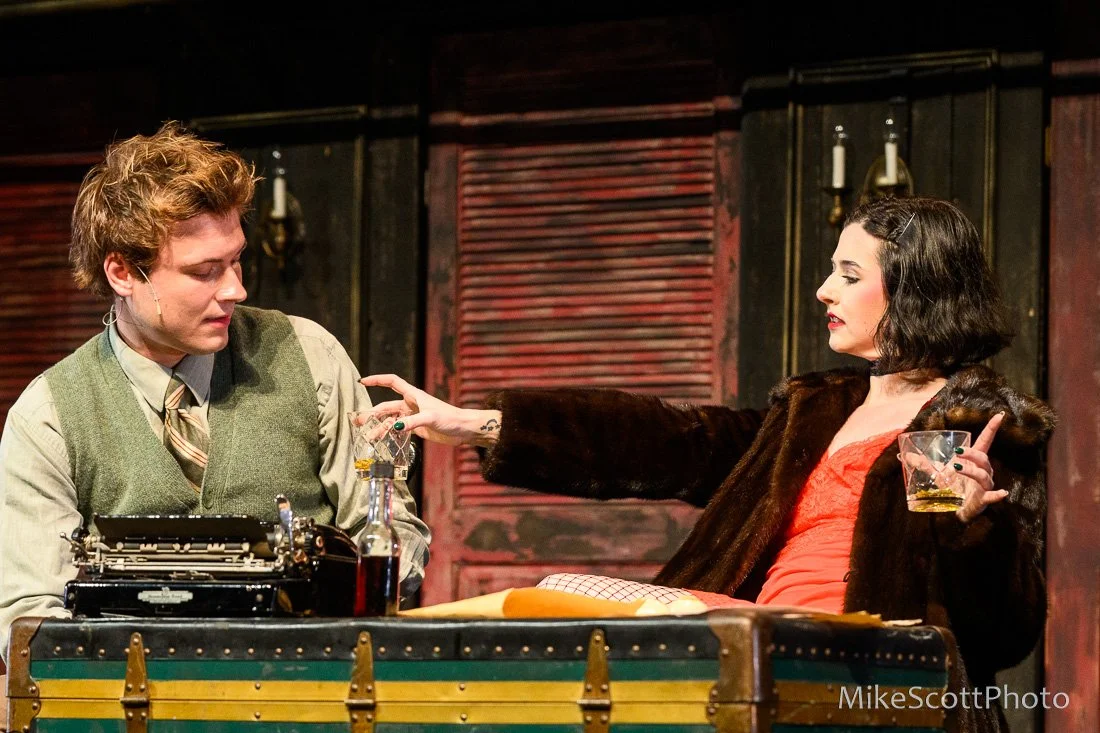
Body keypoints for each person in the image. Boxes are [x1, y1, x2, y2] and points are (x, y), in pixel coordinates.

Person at [362, 196, 1053, 733]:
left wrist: (971, 529)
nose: (822, 290)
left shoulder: (969, 424)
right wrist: (477, 422)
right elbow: (666, 439)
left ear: (913, 290)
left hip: (858, 670)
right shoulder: (809, 413)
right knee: (560, 592)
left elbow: (1000, 631)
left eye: (847, 274)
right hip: (753, 657)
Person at [0, 122, 431, 658]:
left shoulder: (309, 354)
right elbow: (33, 618)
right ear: (121, 273)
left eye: (235, 260)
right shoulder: (47, 415)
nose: (236, 288)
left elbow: (391, 534)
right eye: (205, 271)